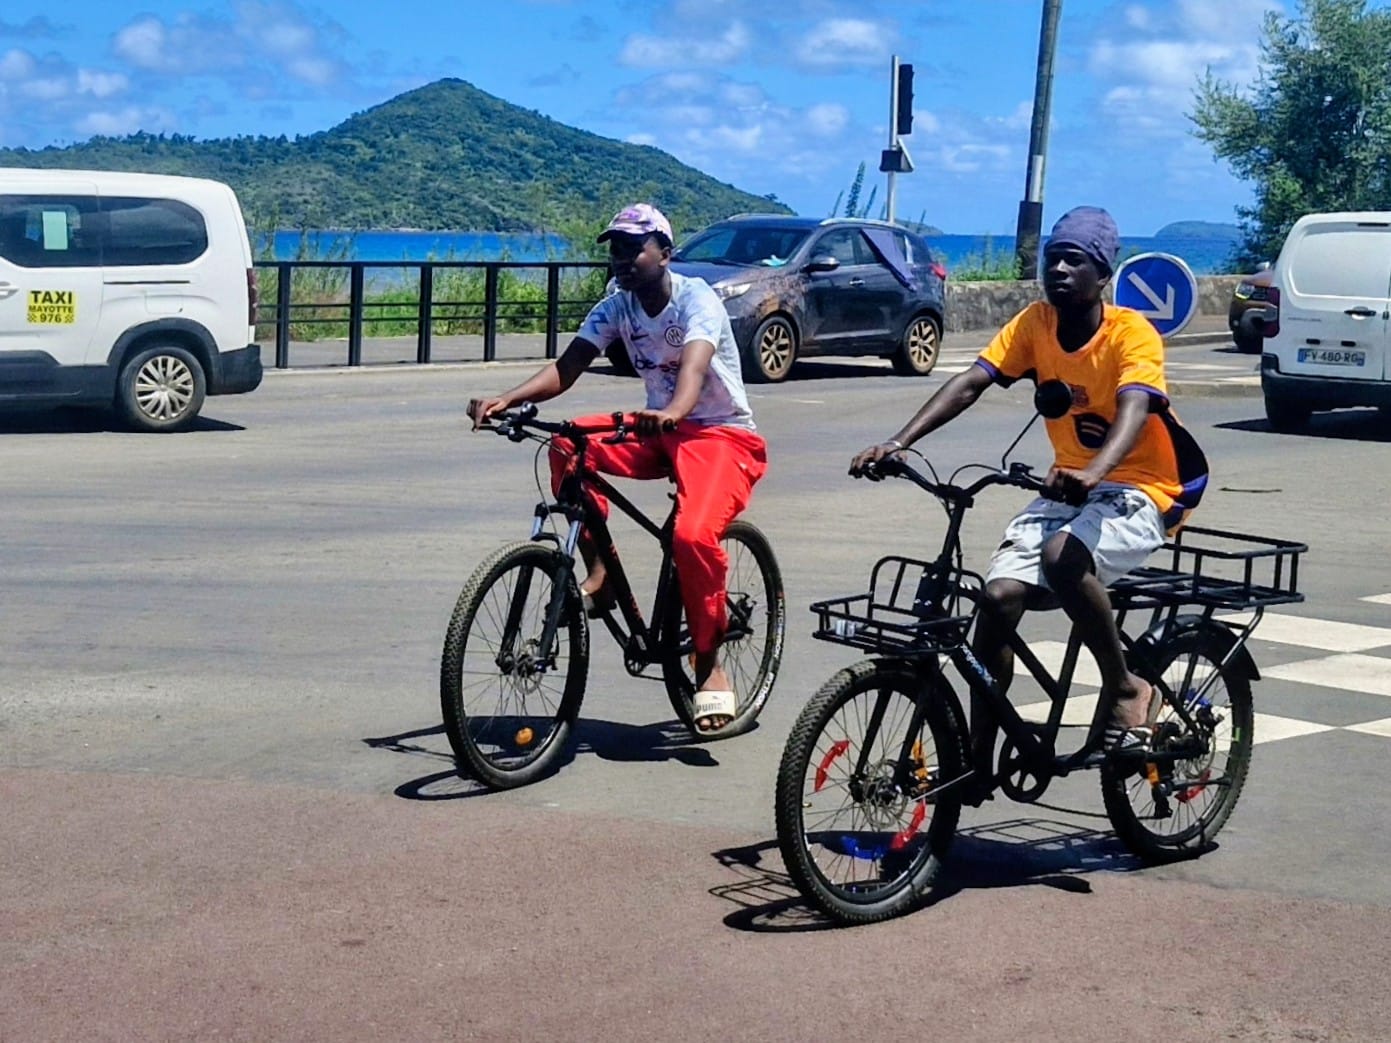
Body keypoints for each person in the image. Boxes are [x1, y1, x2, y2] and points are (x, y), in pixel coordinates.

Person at [850, 205, 1207, 796]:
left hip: (1144, 488)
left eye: (1075, 261)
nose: (1059, 269)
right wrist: (898, 442)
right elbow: (973, 381)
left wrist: (1093, 472)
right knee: (995, 601)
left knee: (1063, 557)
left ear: (1103, 273)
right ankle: (978, 759)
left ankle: (1125, 686)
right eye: (1053, 259)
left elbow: (1135, 406)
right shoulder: (1035, 323)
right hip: (1069, 486)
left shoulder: (1130, 333)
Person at [467, 203, 768, 735]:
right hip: (658, 428)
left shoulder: (696, 300)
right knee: (567, 445)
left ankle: (709, 661)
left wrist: (674, 411)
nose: (623, 260)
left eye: (634, 249)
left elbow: (694, 367)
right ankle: (601, 573)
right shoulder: (617, 306)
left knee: (693, 537)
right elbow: (568, 367)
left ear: (665, 253)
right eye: (616, 251)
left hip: (719, 434)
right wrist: (507, 399)